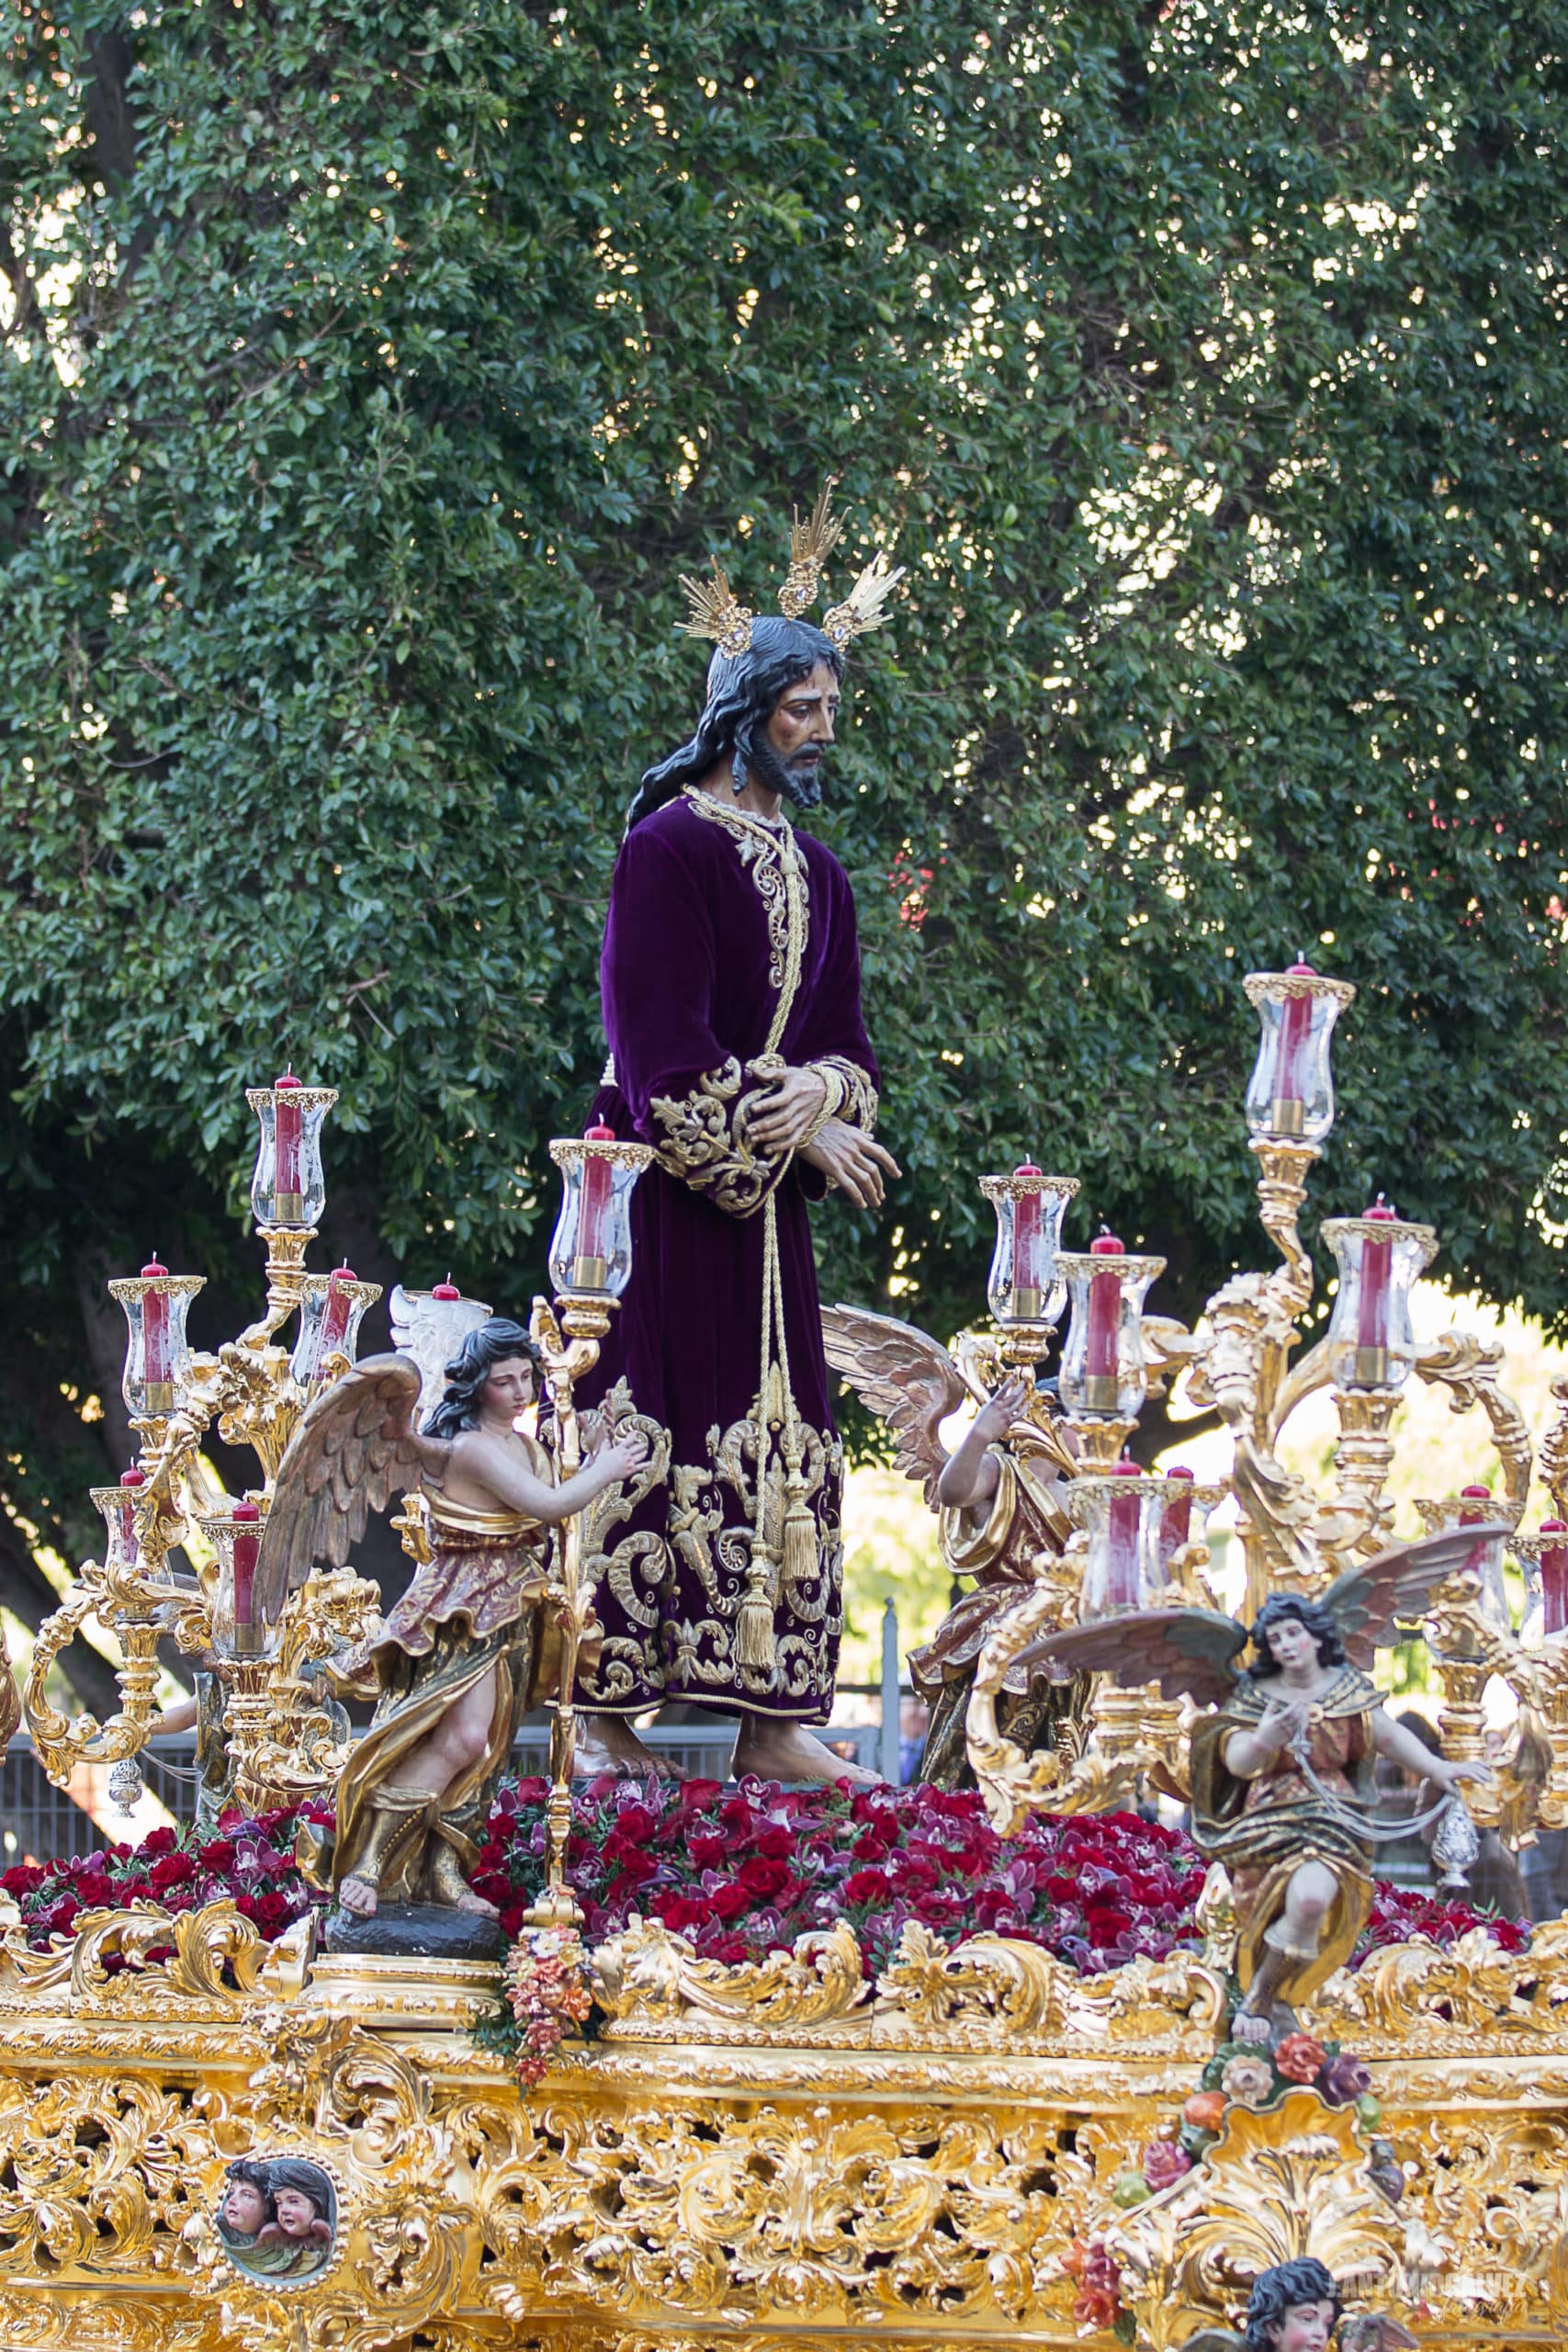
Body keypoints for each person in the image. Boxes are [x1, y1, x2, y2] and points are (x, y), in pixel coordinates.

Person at [574, 498, 900, 1786]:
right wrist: (787, 1130)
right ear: (742, 711)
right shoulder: (663, 850)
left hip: (769, 1226)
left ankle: (772, 1720)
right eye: (800, 707)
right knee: (644, 1423)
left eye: (828, 706)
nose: (821, 729)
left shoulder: (820, 876)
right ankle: (601, 1710)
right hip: (664, 1198)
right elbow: (654, 1044)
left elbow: (852, 1049)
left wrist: (824, 1102)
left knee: (785, 1437)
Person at [292, 1318, 647, 1917]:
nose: (519, 1391)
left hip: (512, 1606)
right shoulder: (474, 1448)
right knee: (462, 1736)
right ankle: (371, 1861)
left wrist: (591, 1447)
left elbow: (553, 1492)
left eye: (525, 1377)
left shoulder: (521, 1444)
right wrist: (607, 1466)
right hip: (463, 1609)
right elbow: (552, 1505)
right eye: (503, 1381)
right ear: (475, 1386)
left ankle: (443, 1872)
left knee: (484, 1753)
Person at [1192, 1594, 1482, 2043]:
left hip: (1331, 1820)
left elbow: (1387, 1734)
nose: (1286, 1645)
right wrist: (1264, 1740)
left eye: (1293, 1633)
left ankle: (1263, 1995)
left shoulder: (1346, 1688)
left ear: (1314, 1635)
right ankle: (1276, 2001)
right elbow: (1234, 1758)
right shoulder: (1257, 1693)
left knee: (1311, 1903)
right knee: (1267, 1914)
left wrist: (1439, 1768)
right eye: (1275, 1639)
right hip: (1269, 1822)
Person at [251, 2157, 335, 2282]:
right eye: (279, 2203)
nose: (284, 2210)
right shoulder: (272, 2233)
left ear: (316, 2203)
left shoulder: (320, 2230)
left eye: (294, 2201)